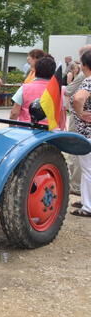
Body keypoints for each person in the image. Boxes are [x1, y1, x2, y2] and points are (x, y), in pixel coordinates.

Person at [64, 45, 91, 196]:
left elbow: (76, 96)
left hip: (85, 129)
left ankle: (83, 197)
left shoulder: (86, 79)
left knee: (85, 166)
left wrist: (80, 113)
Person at [70, 50, 91, 217]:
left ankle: (88, 207)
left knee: (88, 169)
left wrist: (80, 113)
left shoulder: (88, 82)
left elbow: (78, 99)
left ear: (84, 65)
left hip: (87, 133)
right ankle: (85, 200)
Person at [9, 55, 56, 123]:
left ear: (36, 70)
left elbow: (14, 113)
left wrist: (12, 127)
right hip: (50, 128)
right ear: (53, 72)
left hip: (26, 126)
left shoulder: (24, 88)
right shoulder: (58, 90)